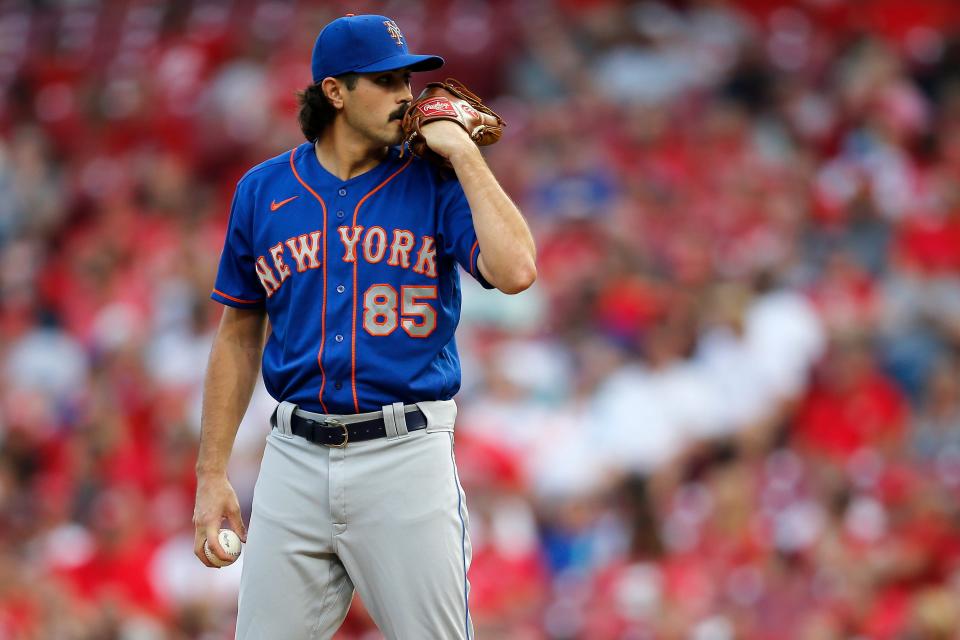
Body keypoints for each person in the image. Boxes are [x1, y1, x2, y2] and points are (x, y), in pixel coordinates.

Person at [191, 13, 536, 640]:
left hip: (403, 455)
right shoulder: (263, 190)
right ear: (335, 91)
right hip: (293, 456)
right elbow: (238, 333)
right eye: (385, 80)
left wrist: (463, 155)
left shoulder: (434, 177)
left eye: (407, 77)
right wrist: (212, 473)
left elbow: (516, 271)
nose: (407, 94)